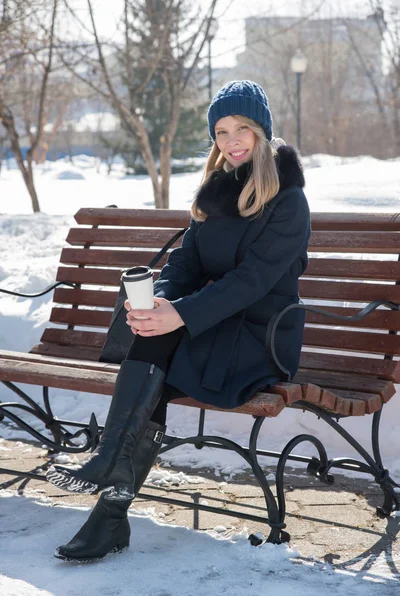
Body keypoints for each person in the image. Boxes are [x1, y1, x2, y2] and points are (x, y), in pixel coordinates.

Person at [46, 80, 311, 561]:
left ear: (262, 133)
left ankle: (109, 482)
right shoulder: (213, 194)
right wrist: (158, 305)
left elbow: (251, 281)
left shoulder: (289, 202)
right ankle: (109, 504)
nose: (230, 141)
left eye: (242, 129)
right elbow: (184, 265)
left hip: (258, 337)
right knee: (152, 344)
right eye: (221, 131)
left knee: (156, 355)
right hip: (210, 326)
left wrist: (179, 316)